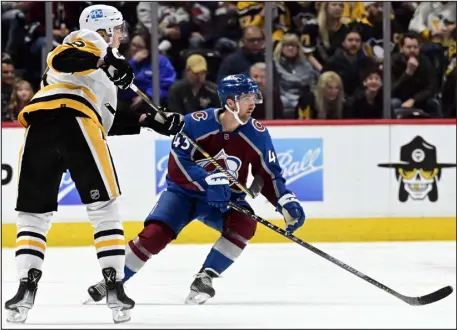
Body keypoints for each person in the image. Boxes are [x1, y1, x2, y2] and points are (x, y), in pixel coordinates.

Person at [4, 4, 183, 325]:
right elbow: (60, 57)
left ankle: (25, 288)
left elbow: (108, 121)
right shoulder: (88, 40)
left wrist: (150, 121)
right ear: (104, 29)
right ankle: (114, 285)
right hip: (75, 123)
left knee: (33, 214)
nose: (121, 35)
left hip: (40, 130)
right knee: (104, 209)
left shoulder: (103, 76)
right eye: (117, 29)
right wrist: (105, 59)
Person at [85, 74, 306, 305]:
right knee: (155, 234)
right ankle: (113, 282)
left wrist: (285, 202)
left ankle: (206, 276)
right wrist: (210, 180)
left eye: (254, 97)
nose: (253, 103)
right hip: (183, 194)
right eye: (247, 98)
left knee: (245, 222)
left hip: (225, 200)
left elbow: (270, 174)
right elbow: (178, 163)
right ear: (230, 102)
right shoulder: (195, 122)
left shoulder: (258, 135)